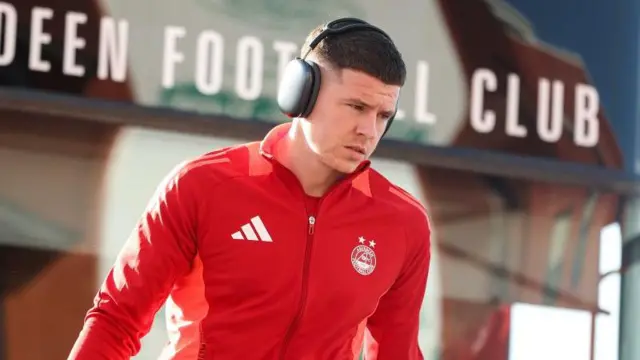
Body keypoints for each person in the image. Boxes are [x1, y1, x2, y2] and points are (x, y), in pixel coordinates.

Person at [68, 17, 432, 360]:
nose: (369, 131)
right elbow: (117, 320)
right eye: (356, 106)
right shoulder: (202, 186)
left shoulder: (403, 223)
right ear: (302, 94)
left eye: (383, 116)